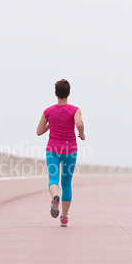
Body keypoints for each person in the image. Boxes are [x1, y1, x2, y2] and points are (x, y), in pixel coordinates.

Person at [36, 79, 85, 227]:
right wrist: (81, 134)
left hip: (53, 150)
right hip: (70, 150)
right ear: (69, 93)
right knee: (67, 184)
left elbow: (39, 132)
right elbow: (79, 123)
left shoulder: (48, 111)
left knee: (53, 180)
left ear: (55, 93)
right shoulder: (75, 110)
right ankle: (64, 217)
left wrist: (52, 123)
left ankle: (55, 196)